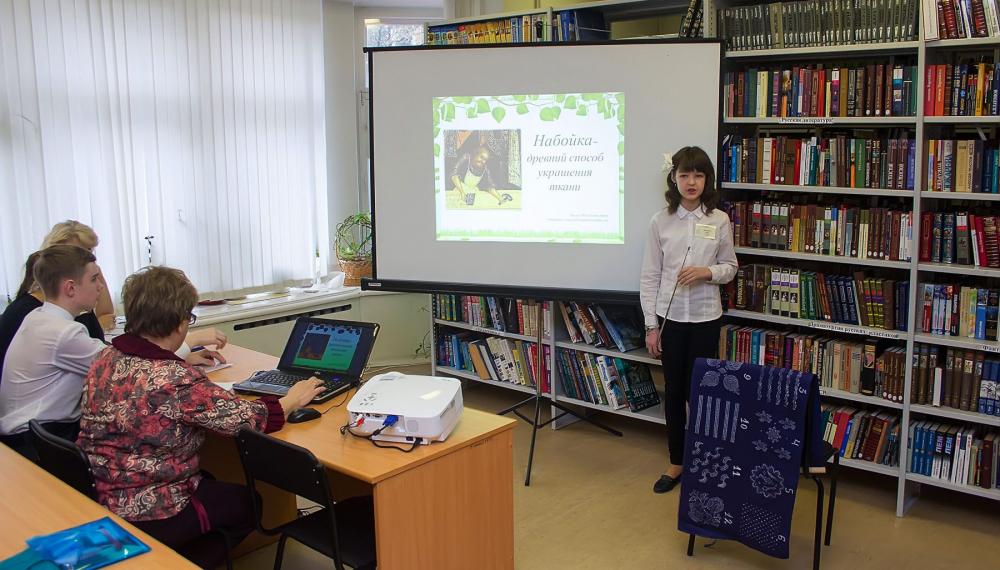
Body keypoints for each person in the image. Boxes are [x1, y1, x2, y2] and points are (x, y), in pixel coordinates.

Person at [77, 266, 325, 569]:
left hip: (101, 492)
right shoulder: (174, 377)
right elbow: (246, 420)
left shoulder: (105, 357)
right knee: (249, 504)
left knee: (211, 479)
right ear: (180, 322)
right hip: (153, 509)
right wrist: (291, 400)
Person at [639, 146, 738, 494]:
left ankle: (705, 457)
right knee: (675, 391)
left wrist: (707, 272)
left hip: (706, 318)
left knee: (704, 393)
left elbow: (731, 267)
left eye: (698, 175)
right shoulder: (660, 221)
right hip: (671, 320)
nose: (691, 182)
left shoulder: (719, 220)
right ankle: (677, 460)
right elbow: (650, 276)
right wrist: (651, 326)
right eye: (684, 175)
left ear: (707, 179)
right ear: (674, 178)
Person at [0, 246, 109, 457]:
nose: (101, 286)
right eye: (94, 279)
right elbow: (125, 368)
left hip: (24, 436)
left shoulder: (37, 316)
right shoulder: (64, 333)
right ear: (70, 288)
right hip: (37, 444)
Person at [40, 220, 117, 332]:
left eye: (89, 250)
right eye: (78, 251)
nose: (86, 257)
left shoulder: (90, 272)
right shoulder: (46, 286)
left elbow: (106, 314)